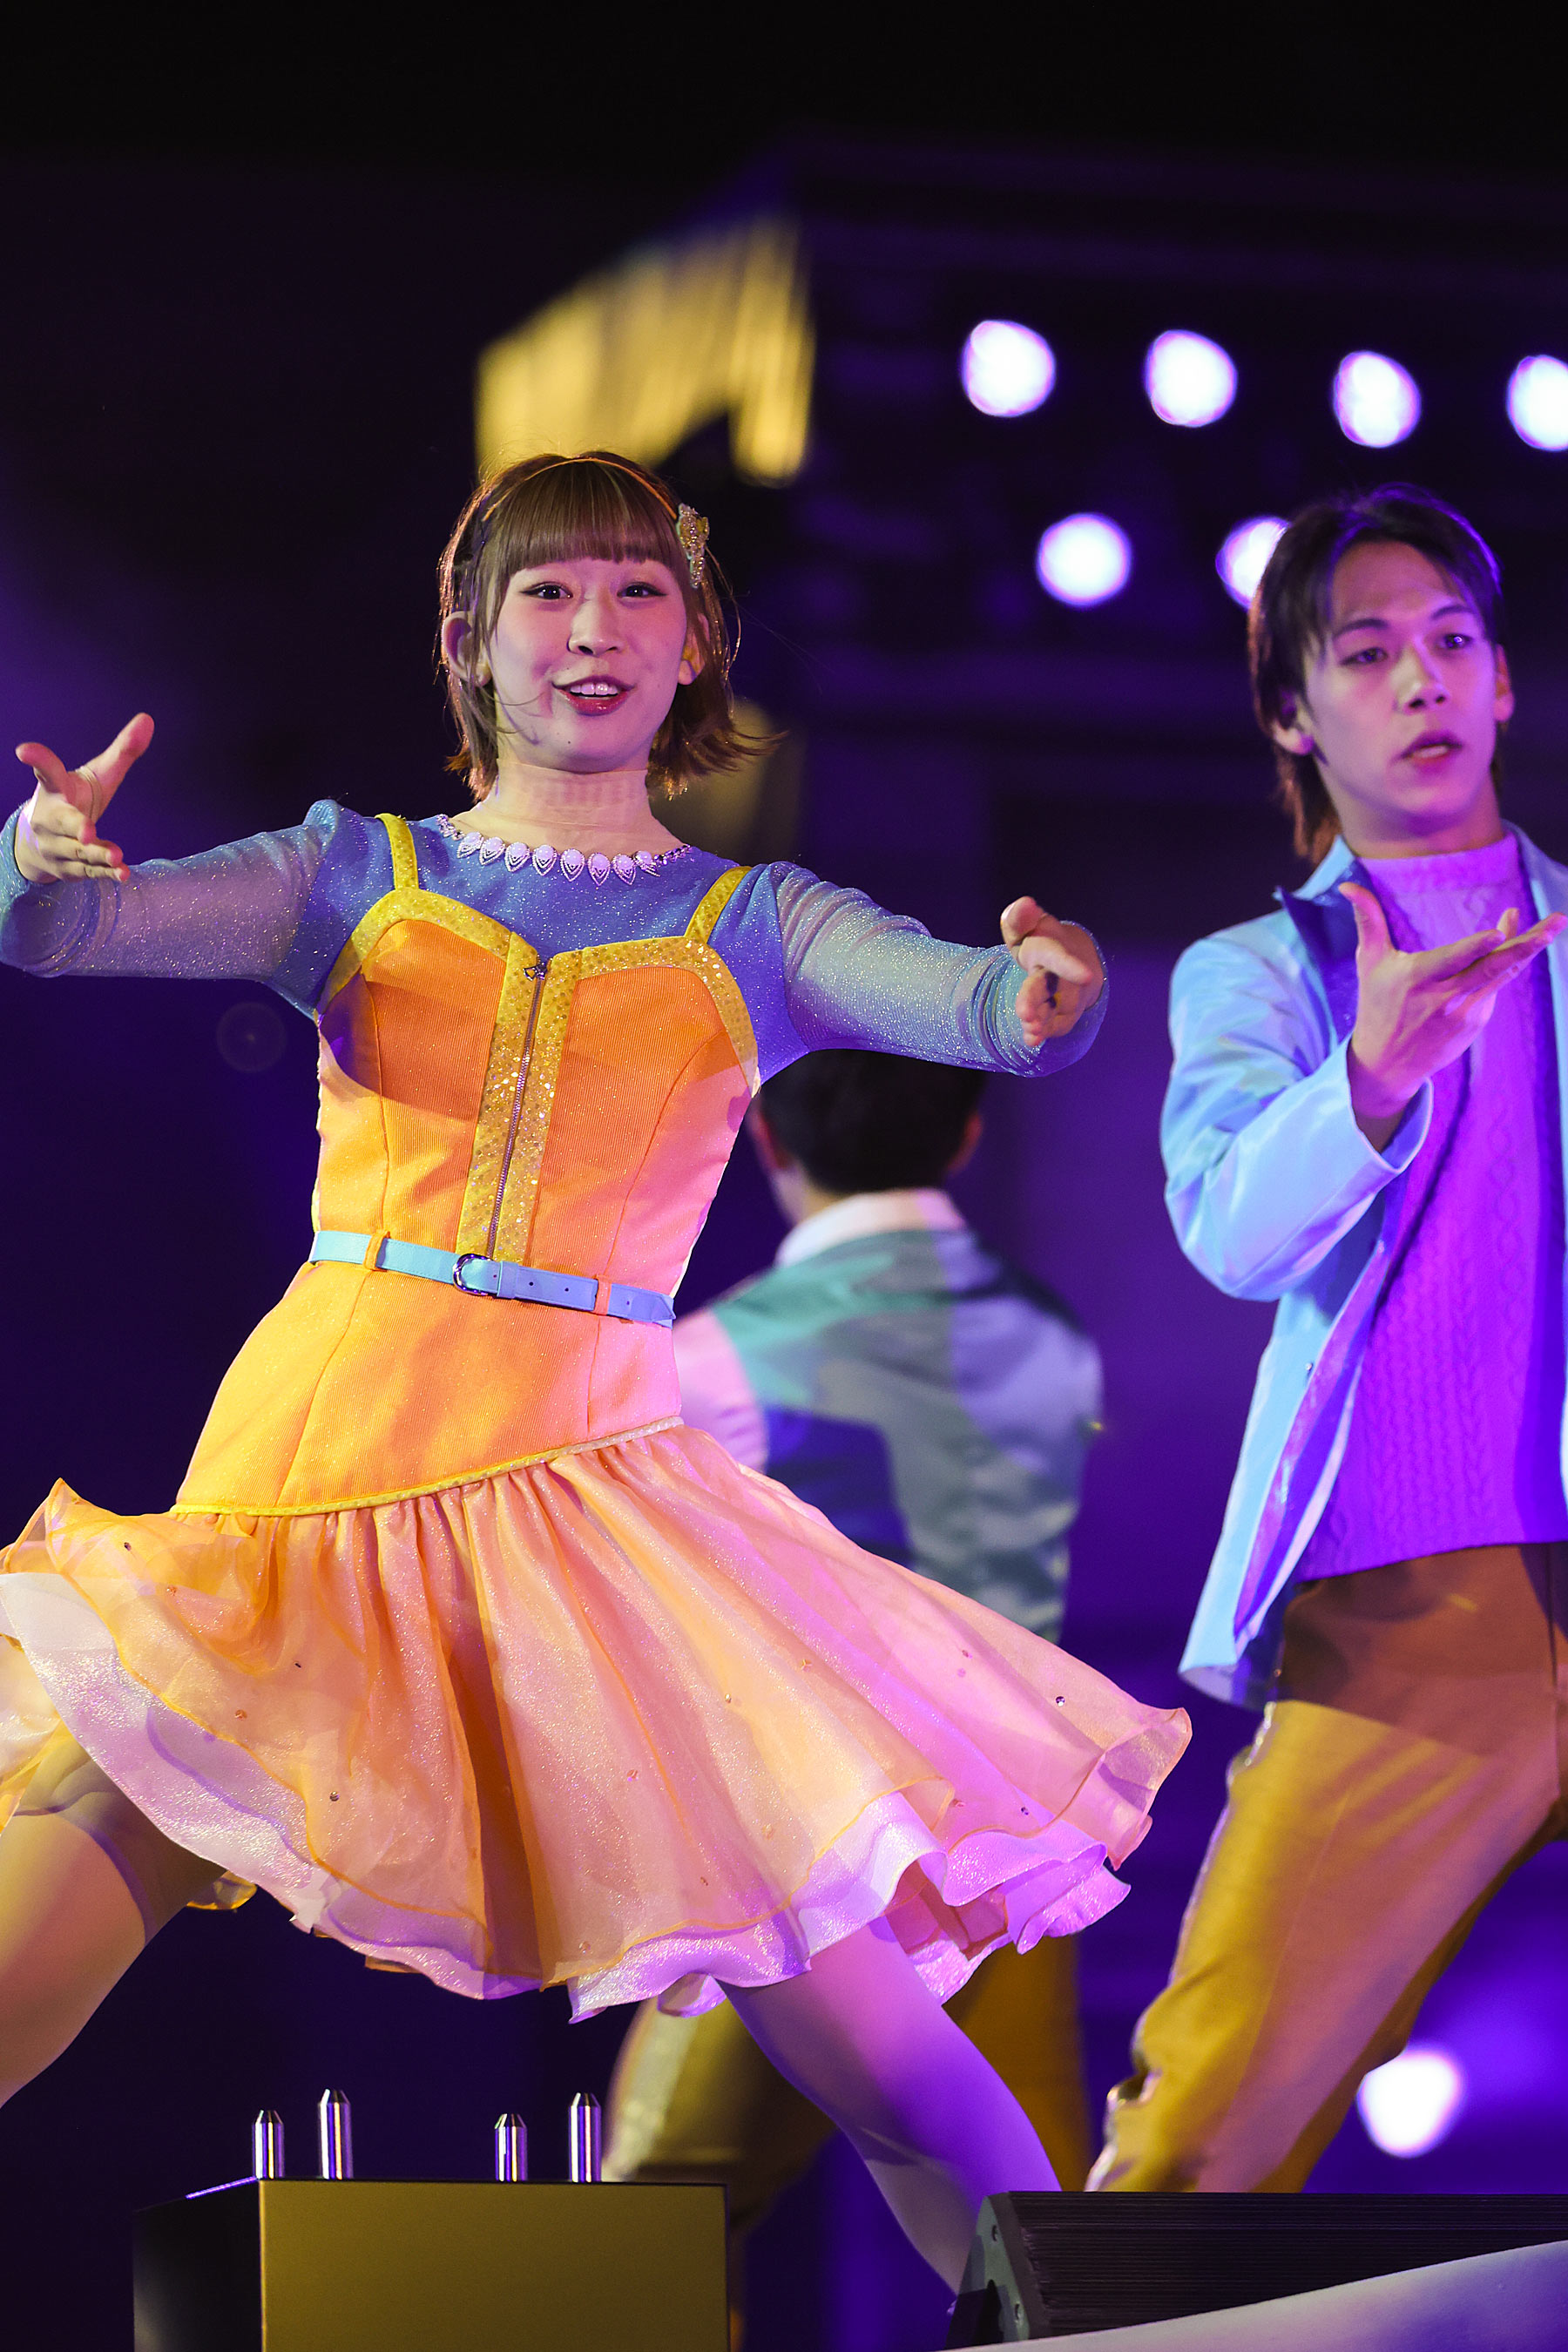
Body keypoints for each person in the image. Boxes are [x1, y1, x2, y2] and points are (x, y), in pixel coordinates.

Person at [0, 451, 1186, 2289]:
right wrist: (39, 863)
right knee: (84, 1861)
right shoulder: (354, 873)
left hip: (593, 1503)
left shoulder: (756, 923)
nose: (594, 629)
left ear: (696, 639)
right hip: (323, 1465)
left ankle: (1089, 2329)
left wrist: (1044, 996)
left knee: (866, 2036)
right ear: (470, 641)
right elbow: (69, 933)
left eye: (639, 590)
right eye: (548, 593)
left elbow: (979, 1008)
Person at [1092, 483, 1568, 2193]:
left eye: (1452, 639)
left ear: (1500, 680)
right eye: (1366, 653)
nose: (1421, 677)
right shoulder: (1261, 971)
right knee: (1204, 2138)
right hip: (1419, 1604)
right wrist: (1369, 1075)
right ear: (1294, 712)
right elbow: (1228, 1230)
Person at [605, 1050, 1103, 2304]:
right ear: (968, 1136)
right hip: (1023, 1837)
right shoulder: (1056, 1337)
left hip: (821, 1840)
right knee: (1034, 2240)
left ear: (764, 1139)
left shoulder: (709, 1360)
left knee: (657, 2211)